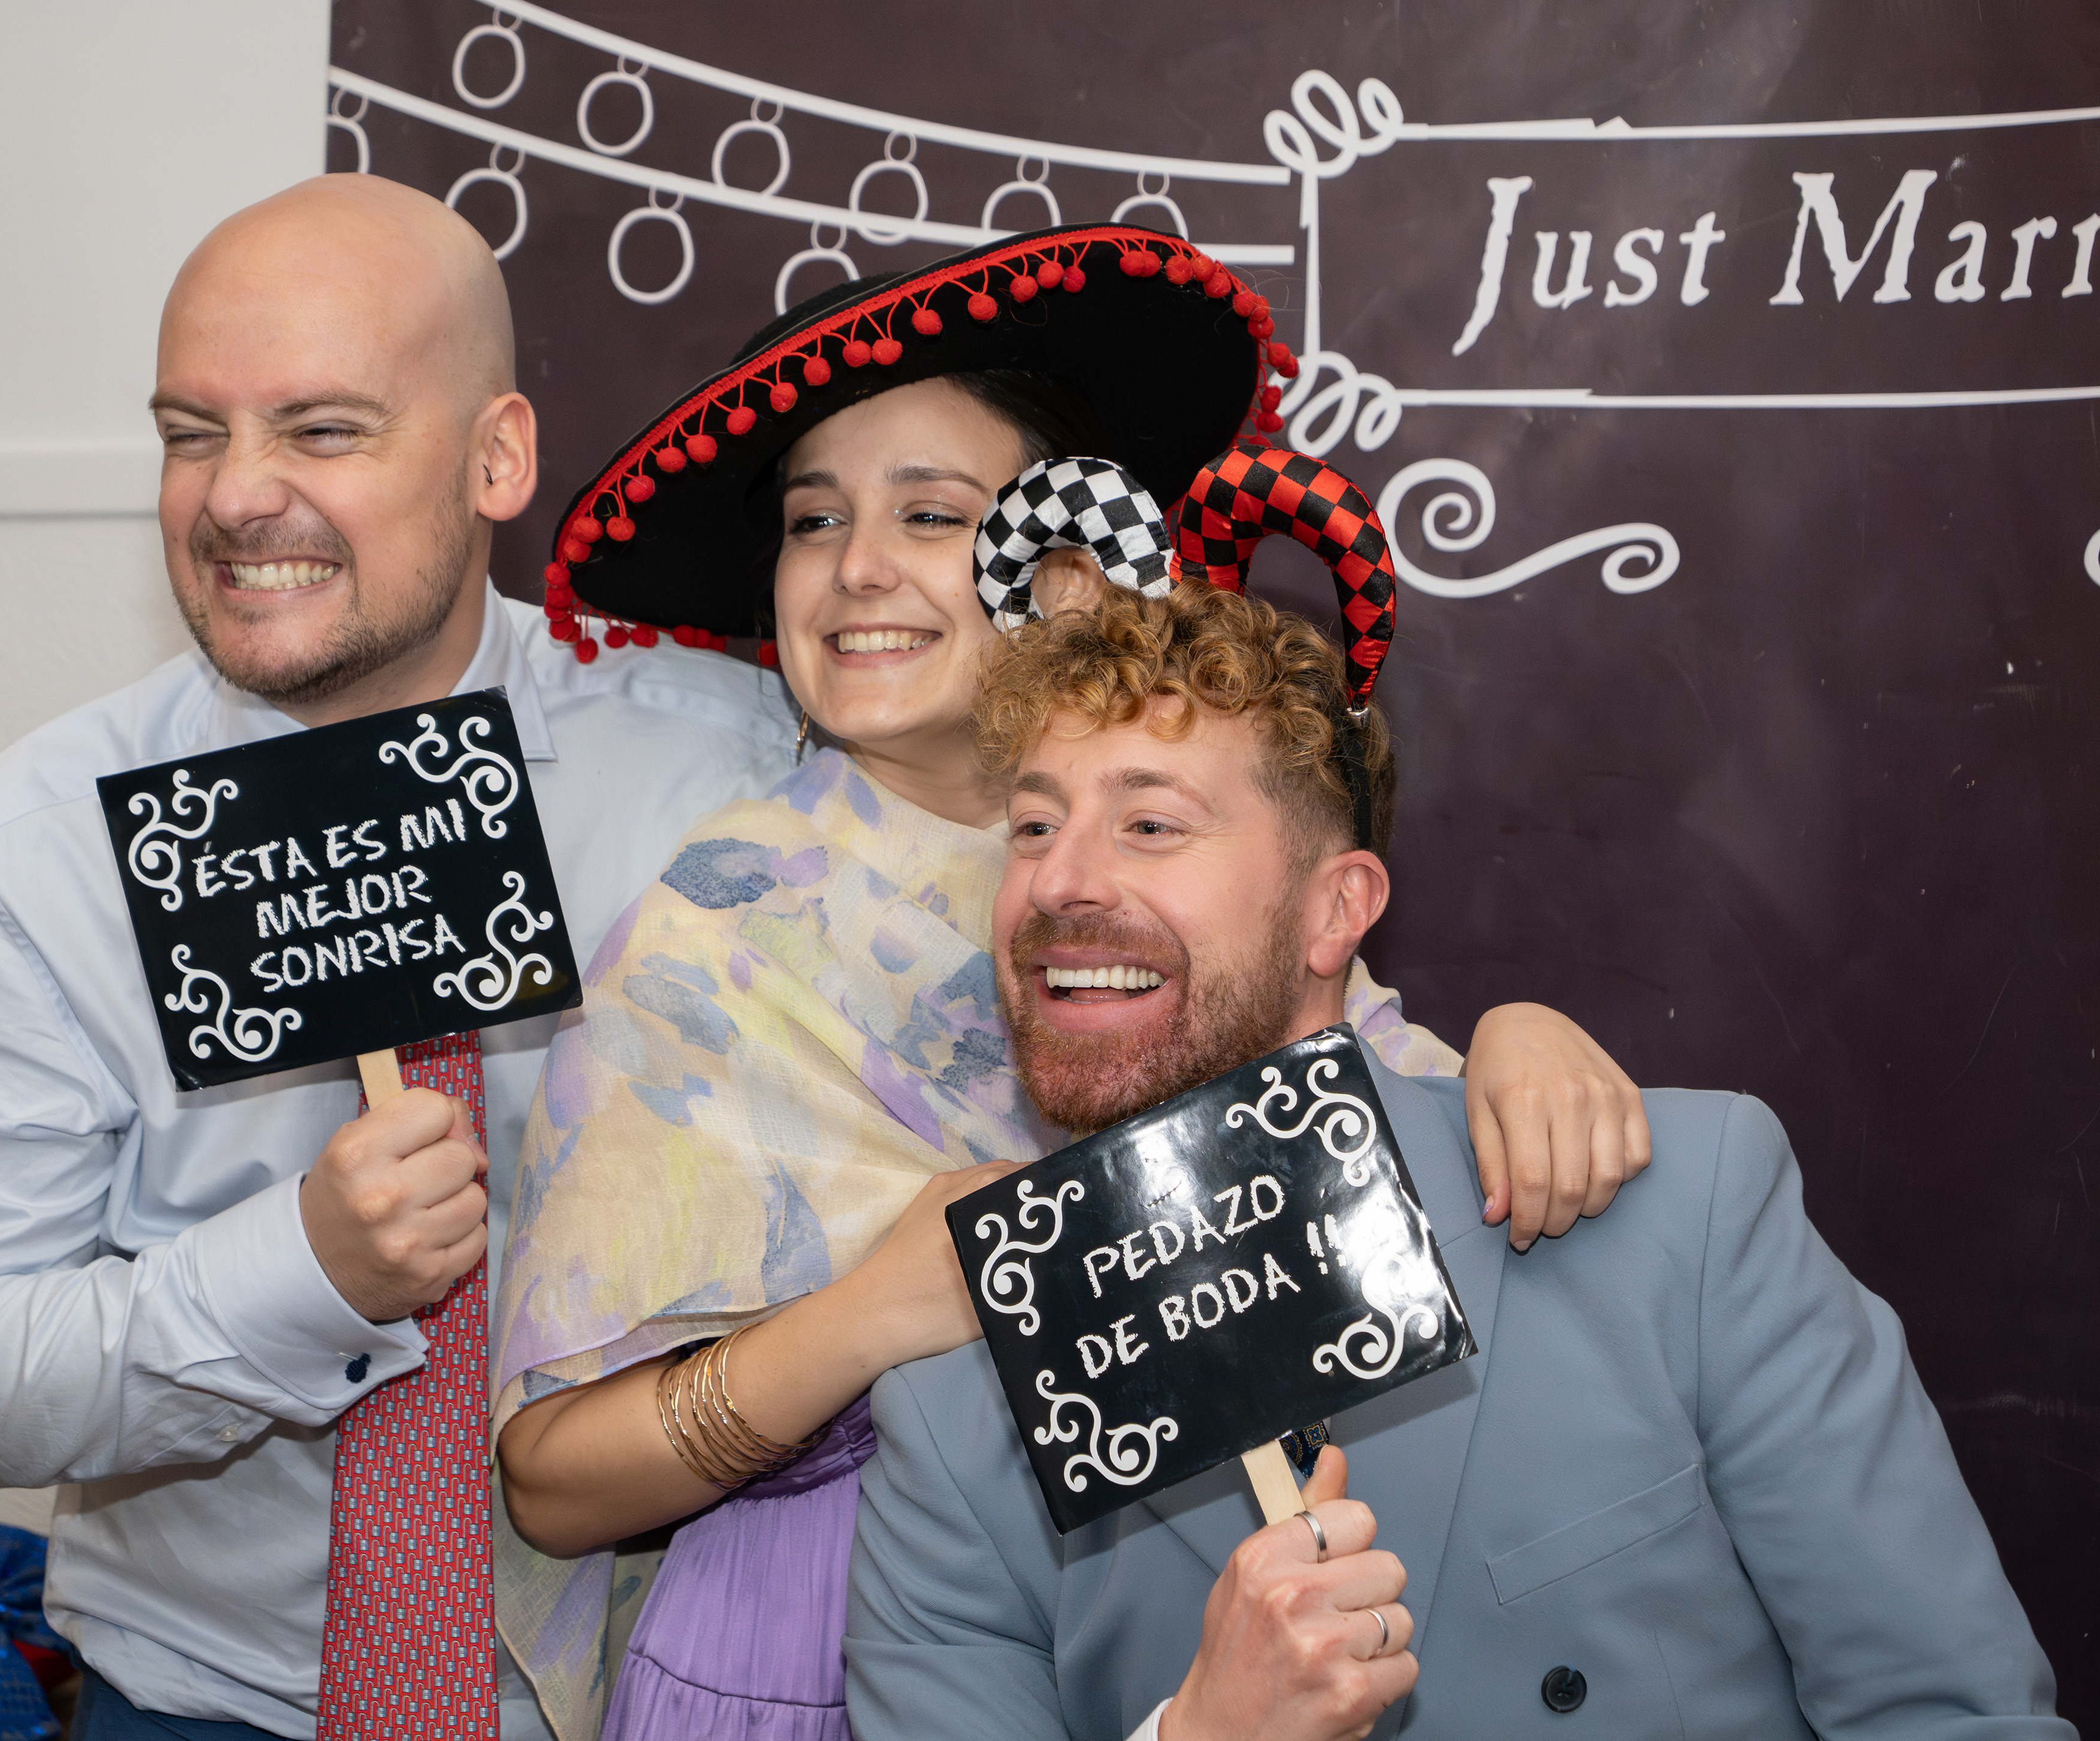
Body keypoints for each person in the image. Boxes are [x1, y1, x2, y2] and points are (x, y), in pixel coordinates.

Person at [493, 225, 1651, 1741]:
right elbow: (552, 1479)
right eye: (813, 518)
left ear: (1063, 568)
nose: (856, 567)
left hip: (1213, 1624)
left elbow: (1383, 1133)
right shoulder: (712, 940)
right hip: (818, 1663)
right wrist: (869, 1314)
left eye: (931, 513)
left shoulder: (1192, 870)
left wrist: (1518, 1045)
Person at [0, 174, 798, 1739]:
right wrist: (299, 1271)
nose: (236, 496)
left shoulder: (732, 777)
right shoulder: (29, 861)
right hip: (209, 1701)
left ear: (497, 457)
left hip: (669, 1691)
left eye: (323, 429)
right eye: (190, 433)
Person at [843, 577, 2070, 1740]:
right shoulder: (954, 1422)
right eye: (1033, 826)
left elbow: (1955, 1716)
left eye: (1151, 822)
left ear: (1336, 909)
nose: (1057, 880)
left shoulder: (1678, 1216)